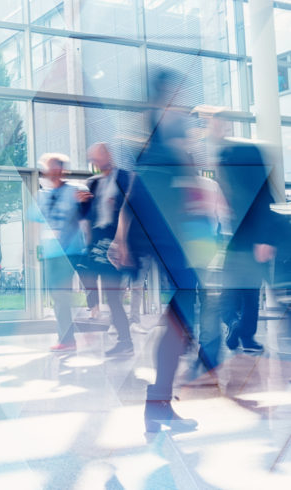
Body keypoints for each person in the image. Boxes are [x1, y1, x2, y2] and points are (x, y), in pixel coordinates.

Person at [112, 68, 199, 433]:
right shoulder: (158, 131)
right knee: (183, 312)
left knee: (182, 314)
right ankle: (158, 399)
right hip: (163, 233)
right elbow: (136, 188)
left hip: (169, 232)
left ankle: (159, 398)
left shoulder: (162, 129)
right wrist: (121, 236)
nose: (181, 98)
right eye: (176, 92)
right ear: (165, 94)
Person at [197, 107, 280, 355]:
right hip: (231, 240)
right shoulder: (222, 159)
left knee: (248, 292)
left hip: (251, 238)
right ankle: (239, 329)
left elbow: (264, 198)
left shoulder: (245, 154)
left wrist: (265, 239)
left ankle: (243, 332)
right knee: (233, 292)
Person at [78, 143, 135, 357]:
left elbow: (133, 209)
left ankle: (125, 340)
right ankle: (101, 313)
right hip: (96, 242)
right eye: (92, 159)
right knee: (87, 277)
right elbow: (83, 215)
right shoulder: (92, 184)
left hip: (116, 241)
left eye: (98, 157)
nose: (95, 162)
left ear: (108, 155)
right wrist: (80, 204)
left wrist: (125, 244)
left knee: (112, 295)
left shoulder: (126, 178)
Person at [31, 153, 86, 353]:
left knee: (62, 295)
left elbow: (86, 217)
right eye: (48, 168)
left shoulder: (76, 191)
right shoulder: (42, 196)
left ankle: (67, 338)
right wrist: (29, 251)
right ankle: (66, 337)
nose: (52, 172)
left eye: (55, 167)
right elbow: (35, 223)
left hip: (70, 251)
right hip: (50, 253)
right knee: (57, 295)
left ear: (62, 170)